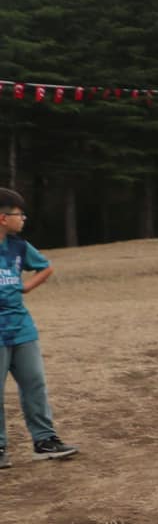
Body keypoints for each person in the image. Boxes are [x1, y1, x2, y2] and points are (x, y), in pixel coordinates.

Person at [0, 188, 77, 467]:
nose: (23, 219)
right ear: (2, 218)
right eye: (19, 214)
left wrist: (27, 287)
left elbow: (45, 267)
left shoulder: (19, 246)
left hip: (21, 327)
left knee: (34, 383)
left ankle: (45, 441)